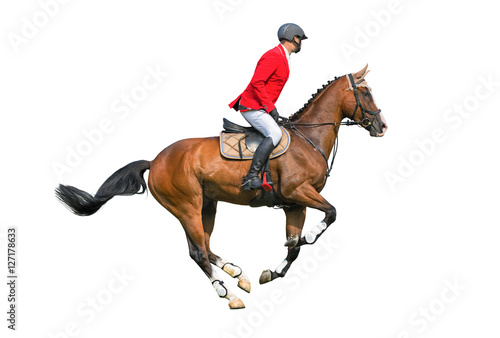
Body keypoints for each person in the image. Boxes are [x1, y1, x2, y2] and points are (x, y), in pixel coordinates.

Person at [229, 23, 307, 191]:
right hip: (252, 105)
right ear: (294, 38)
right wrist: (270, 107)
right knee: (275, 133)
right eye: (300, 39)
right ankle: (250, 177)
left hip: (260, 106)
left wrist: (270, 108)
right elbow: (257, 82)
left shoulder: (283, 56)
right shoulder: (274, 55)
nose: (301, 43)